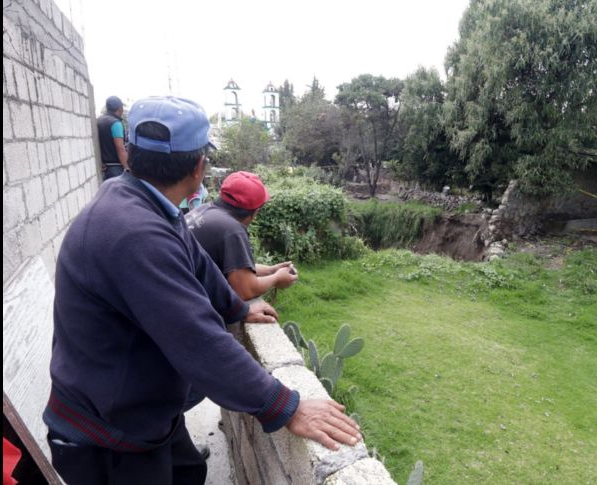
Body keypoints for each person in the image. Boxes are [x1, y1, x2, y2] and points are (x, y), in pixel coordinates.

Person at [43, 96, 361, 484]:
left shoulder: (141, 202)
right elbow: (197, 340)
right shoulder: (134, 234)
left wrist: (238, 310)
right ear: (198, 167)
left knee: (190, 472)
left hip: (140, 410)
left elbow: (199, 264)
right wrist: (286, 406)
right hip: (108, 434)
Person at [185, 171, 298, 302]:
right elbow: (246, 290)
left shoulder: (205, 210)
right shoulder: (231, 229)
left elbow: (237, 269)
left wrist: (271, 270)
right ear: (255, 212)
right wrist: (277, 278)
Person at [97, 95, 129, 180]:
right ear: (120, 108)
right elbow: (120, 148)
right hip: (116, 169)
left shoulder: (99, 121)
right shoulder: (116, 123)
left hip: (104, 168)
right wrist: (128, 169)